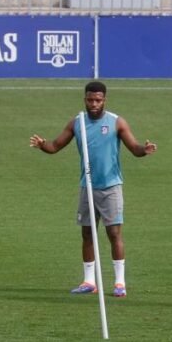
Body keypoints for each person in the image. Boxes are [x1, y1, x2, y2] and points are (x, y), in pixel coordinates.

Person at [30, 81, 157, 297]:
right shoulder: (77, 123)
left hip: (111, 187)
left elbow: (134, 148)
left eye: (98, 100)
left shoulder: (116, 122)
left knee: (113, 233)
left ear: (104, 100)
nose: (94, 104)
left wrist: (144, 150)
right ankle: (89, 281)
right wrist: (43, 145)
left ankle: (119, 283)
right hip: (87, 186)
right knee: (87, 234)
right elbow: (55, 146)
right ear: (85, 99)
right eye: (90, 100)